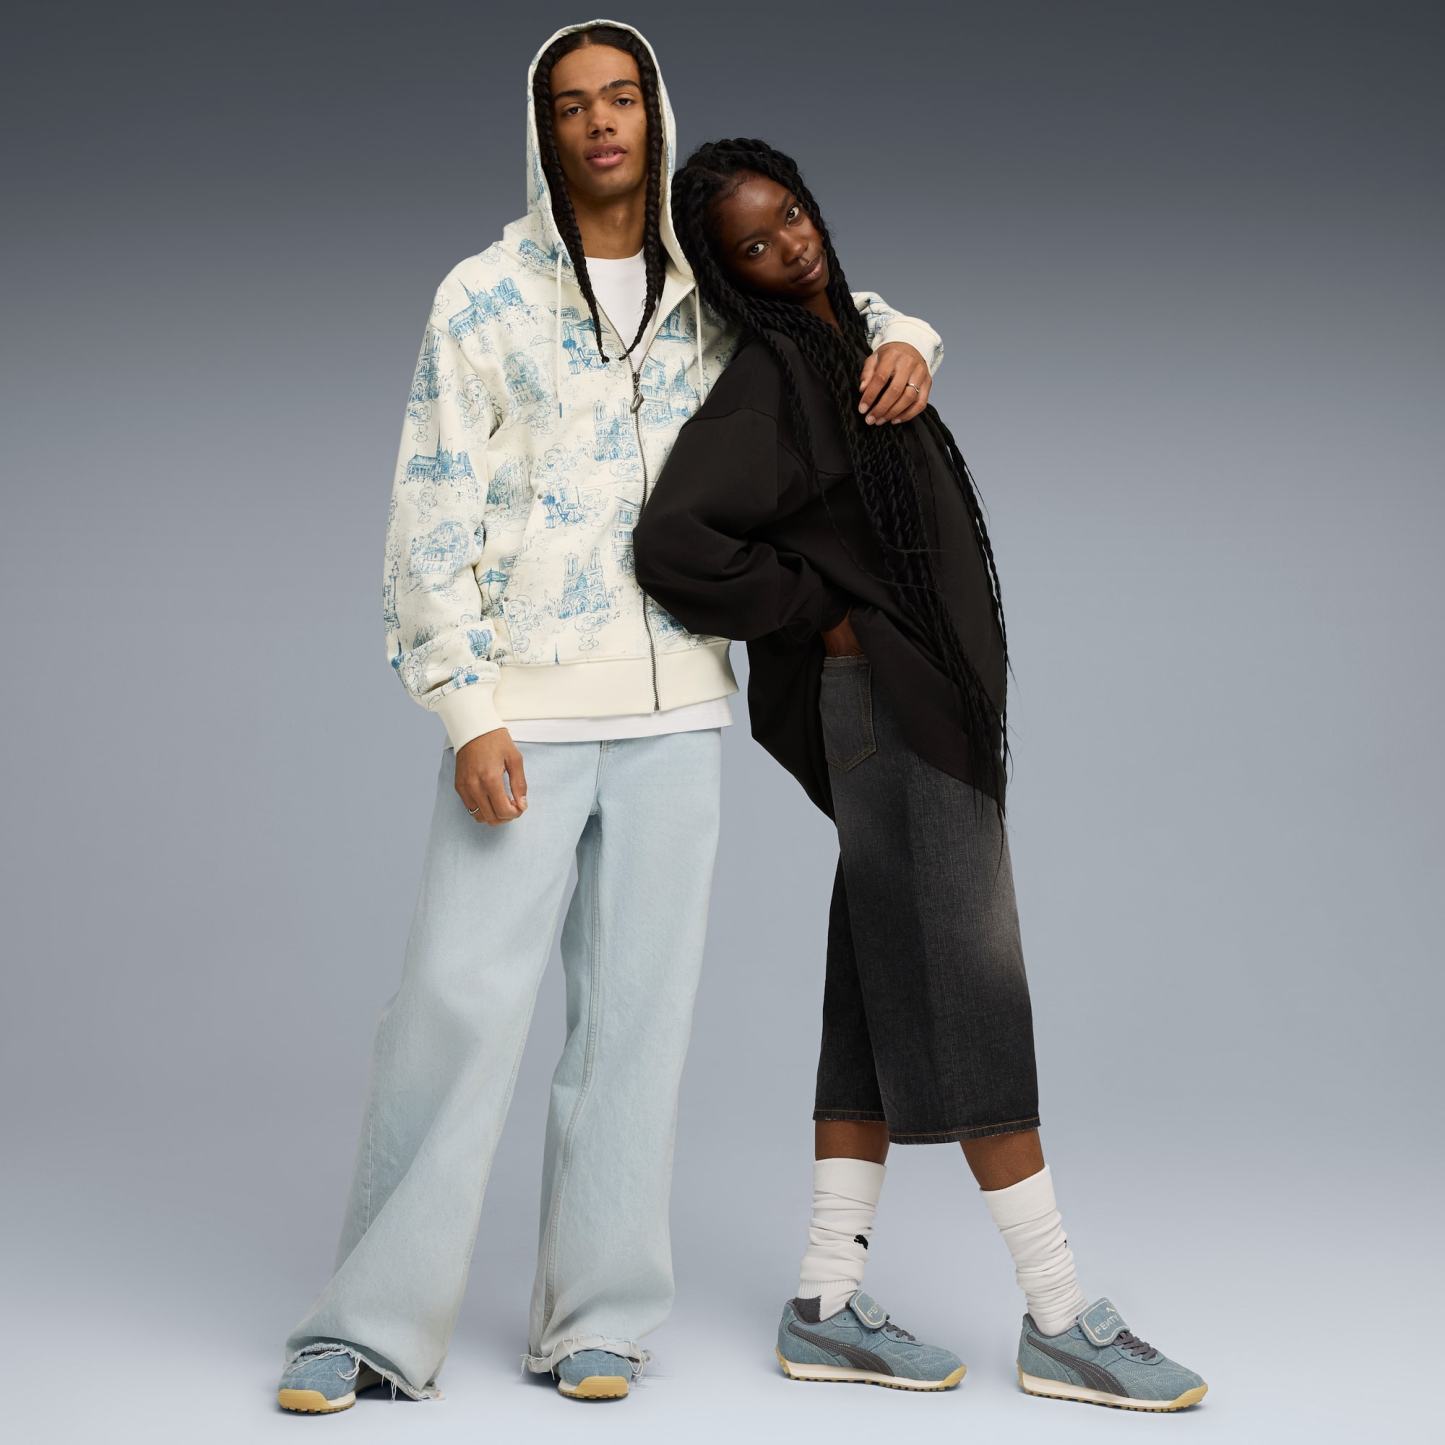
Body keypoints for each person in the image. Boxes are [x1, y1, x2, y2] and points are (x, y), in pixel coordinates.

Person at [275, 26, 944, 1413]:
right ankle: (368, 1322)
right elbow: (430, 512)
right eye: (573, 105)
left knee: (634, 1027)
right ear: (543, 130)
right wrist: (466, 708)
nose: (599, 123)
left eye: (620, 98)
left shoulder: (715, 285)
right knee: (454, 1011)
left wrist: (911, 337)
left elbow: (835, 306)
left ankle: (599, 1317)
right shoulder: (481, 296)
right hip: (523, 706)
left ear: (653, 113)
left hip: (677, 708)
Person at [632, 137, 1208, 1412]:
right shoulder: (774, 378)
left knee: (873, 998)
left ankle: (824, 1302)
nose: (789, 245)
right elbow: (674, 541)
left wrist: (908, 338)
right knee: (970, 990)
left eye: (790, 214)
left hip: (922, 714)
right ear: (725, 275)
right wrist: (821, 614)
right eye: (752, 244)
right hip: (892, 718)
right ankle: (1059, 1314)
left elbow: (879, 334)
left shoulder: (846, 340)